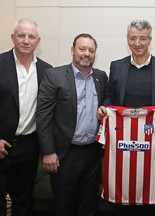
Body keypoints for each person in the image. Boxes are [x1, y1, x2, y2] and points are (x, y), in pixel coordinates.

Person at [97, 19, 155, 216]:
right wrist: (105, 108)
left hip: (152, 141)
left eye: (142, 38)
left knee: (151, 190)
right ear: (127, 40)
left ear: (150, 40)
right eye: (133, 38)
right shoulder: (116, 66)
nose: (138, 43)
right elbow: (109, 96)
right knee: (123, 188)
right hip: (122, 140)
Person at [36, 33, 108, 216]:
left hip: (92, 153)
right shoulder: (54, 75)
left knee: (89, 205)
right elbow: (43, 116)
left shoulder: (101, 77)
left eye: (91, 50)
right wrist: (48, 152)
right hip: (65, 154)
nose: (87, 54)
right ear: (72, 50)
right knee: (64, 205)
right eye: (82, 49)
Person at [0, 18, 52, 215]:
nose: (26, 40)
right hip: (2, 144)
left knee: (24, 202)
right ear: (13, 38)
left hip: (29, 147)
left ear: (38, 41)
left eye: (31, 36)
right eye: (21, 35)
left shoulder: (47, 71)